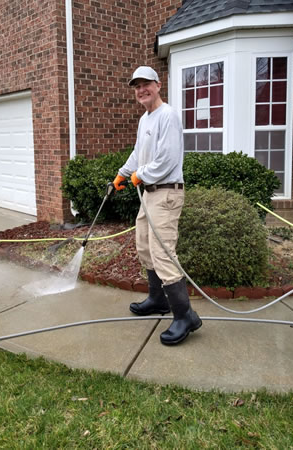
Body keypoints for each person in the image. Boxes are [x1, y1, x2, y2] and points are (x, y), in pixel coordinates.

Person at [113, 66, 202, 346]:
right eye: (136, 86)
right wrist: (123, 173)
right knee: (144, 245)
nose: (141, 90)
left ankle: (185, 315)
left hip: (165, 194)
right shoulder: (145, 119)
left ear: (158, 85)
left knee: (163, 253)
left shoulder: (169, 116)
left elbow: (166, 159)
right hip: (149, 195)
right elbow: (139, 153)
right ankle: (157, 299)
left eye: (146, 84)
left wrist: (141, 175)